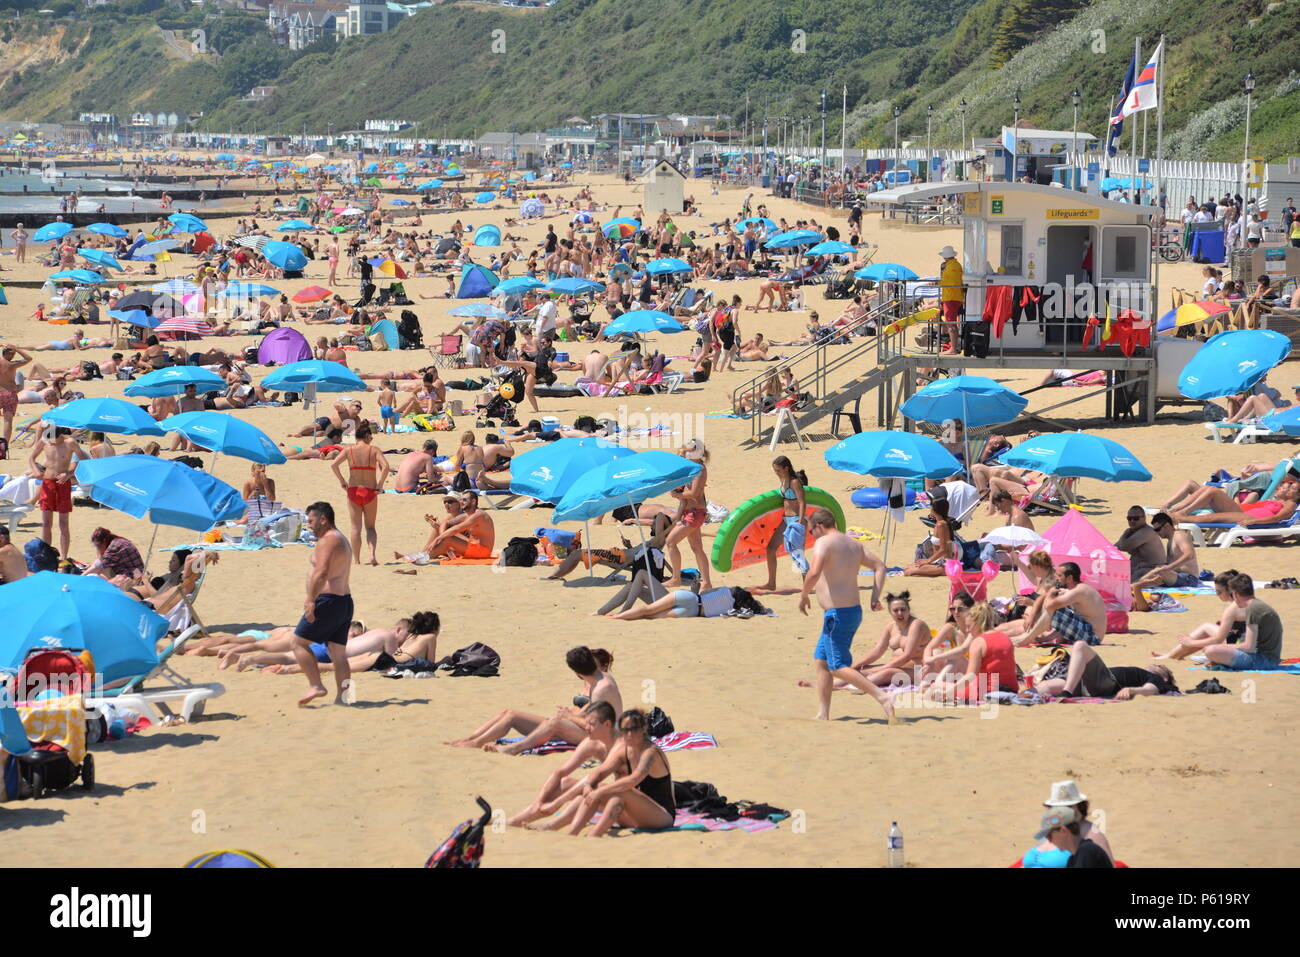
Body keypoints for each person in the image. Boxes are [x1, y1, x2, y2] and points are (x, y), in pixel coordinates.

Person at [799, 507, 894, 722]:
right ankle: (823, 713)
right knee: (821, 661)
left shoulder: (823, 542)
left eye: (811, 531)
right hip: (850, 612)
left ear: (819, 526)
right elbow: (880, 567)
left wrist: (804, 594)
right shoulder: (854, 544)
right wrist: (874, 596)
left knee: (838, 667)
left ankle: (882, 697)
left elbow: (813, 572)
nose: (811, 536)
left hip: (837, 615)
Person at [447, 645, 621, 752]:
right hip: (581, 727)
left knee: (552, 722)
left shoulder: (601, 689)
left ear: (576, 671)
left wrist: (569, 717)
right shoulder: (598, 680)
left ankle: (499, 747)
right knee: (508, 713)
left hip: (600, 737)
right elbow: (589, 712)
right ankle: (470, 739)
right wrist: (571, 716)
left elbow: (595, 728)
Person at [540, 708, 676, 836]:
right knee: (591, 793)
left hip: (661, 817)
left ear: (643, 729)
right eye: (625, 730)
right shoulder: (627, 750)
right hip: (635, 815)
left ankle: (588, 835)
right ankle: (563, 830)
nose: (629, 734)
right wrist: (589, 785)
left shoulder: (650, 753)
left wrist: (599, 790)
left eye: (633, 729)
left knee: (621, 790)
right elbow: (599, 772)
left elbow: (632, 780)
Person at [507, 700, 619, 827]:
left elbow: (595, 778)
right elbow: (560, 772)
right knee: (566, 783)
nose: (586, 728)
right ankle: (518, 820)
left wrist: (558, 802)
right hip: (617, 798)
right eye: (586, 723)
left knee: (589, 788)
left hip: (632, 803)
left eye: (591, 724)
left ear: (608, 724)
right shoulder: (591, 743)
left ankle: (553, 825)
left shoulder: (622, 745)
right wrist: (539, 801)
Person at [290, 502, 355, 707]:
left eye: (311, 521)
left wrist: (311, 600)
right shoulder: (340, 538)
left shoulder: (329, 540)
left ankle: (316, 685)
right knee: (338, 654)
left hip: (328, 601)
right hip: (343, 601)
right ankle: (345, 698)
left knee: (298, 643)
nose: (310, 525)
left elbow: (322, 572)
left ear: (323, 519)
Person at [926, 605, 1019, 704]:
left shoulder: (978, 642)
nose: (967, 630)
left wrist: (947, 693)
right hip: (1012, 688)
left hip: (985, 691)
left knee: (935, 686)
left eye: (968, 626)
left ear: (977, 624)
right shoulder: (1005, 637)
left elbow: (970, 677)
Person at [1151, 569, 1245, 661]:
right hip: (1238, 644)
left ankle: (1171, 655)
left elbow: (1220, 639)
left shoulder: (1234, 607)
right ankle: (1173, 655)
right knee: (1208, 630)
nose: (1217, 595)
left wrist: (1191, 643)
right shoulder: (1241, 603)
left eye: (1219, 592)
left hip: (1238, 647)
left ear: (1229, 590)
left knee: (1206, 628)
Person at [1036, 641, 1178, 700]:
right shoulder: (1141, 674)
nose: (1157, 665)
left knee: (1080, 646)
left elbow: (1150, 690)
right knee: (1045, 687)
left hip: (1106, 682)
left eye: (1161, 667)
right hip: (1089, 685)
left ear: (1164, 678)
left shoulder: (1156, 679)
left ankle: (1066, 693)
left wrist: (1133, 690)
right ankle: (1026, 695)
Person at [331, 423, 389, 566]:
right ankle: (372, 555)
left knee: (355, 528)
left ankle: (356, 560)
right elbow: (386, 467)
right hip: (370, 491)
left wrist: (342, 481)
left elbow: (333, 465)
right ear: (367, 436)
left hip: (353, 491)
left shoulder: (349, 450)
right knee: (370, 527)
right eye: (371, 436)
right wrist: (380, 485)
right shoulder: (374, 450)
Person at [847, 591, 931, 688]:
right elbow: (877, 651)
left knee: (886, 673)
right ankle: (832, 686)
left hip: (917, 670)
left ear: (908, 610)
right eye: (895, 610)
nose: (900, 613)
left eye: (903, 609)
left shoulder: (916, 625)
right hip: (895, 667)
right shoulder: (890, 627)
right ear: (890, 612)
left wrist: (883, 668)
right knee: (858, 671)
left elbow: (908, 655)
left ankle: (849, 687)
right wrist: (856, 665)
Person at [1020, 780, 1114, 867]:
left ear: (1079, 806)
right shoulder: (1053, 829)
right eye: (1056, 807)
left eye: (1068, 806)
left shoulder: (1090, 834)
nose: (1062, 811)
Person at [1016, 561, 1107, 647]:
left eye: (1059, 576)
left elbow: (1049, 606)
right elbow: (1043, 598)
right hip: (1088, 633)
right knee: (1060, 610)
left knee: (1055, 609)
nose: (1056, 578)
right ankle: (1037, 637)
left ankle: (1028, 638)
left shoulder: (1077, 591)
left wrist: (1049, 594)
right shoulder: (1075, 589)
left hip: (1092, 638)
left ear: (1069, 578)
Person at [1203, 574, 1283, 671]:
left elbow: (1249, 647)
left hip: (1265, 661)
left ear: (1236, 594)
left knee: (1211, 650)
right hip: (1269, 657)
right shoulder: (1257, 605)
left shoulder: (1252, 609)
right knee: (1215, 651)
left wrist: (1221, 647)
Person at [663, 439, 713, 591]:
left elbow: (694, 493)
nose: (686, 454)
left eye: (689, 451)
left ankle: (676, 578)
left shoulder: (699, 469)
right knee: (697, 548)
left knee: (671, 542)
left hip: (695, 513)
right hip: (691, 512)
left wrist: (677, 494)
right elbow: (686, 495)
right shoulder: (692, 468)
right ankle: (707, 582)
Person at [32, 427, 88, 558]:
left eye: (53, 440)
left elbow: (84, 461)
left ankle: (63, 557)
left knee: (63, 523)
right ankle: (46, 554)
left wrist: (69, 473)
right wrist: (35, 470)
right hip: (47, 483)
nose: (50, 443)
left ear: (60, 436)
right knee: (46, 523)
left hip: (62, 484)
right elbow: (32, 458)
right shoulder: (45, 440)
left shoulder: (70, 443)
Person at [756, 455, 809, 593]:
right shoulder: (783, 480)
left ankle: (807, 586)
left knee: (798, 554)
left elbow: (802, 501)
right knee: (770, 548)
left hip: (797, 519)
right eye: (775, 470)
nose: (776, 473)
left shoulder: (795, 482)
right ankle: (771, 583)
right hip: (786, 520)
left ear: (786, 468)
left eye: (778, 470)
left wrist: (800, 521)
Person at [1130, 512, 1201, 610]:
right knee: (1144, 568)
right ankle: (1134, 586)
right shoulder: (1171, 539)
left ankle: (1133, 587)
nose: (1157, 533)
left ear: (1167, 525)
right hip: (1177, 576)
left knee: (1160, 569)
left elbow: (1189, 555)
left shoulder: (1179, 535)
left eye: (1158, 529)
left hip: (1189, 579)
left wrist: (1167, 568)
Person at [1168, 476, 1299, 527]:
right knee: (1211, 490)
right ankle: (1181, 512)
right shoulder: (1281, 500)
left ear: (1298, 495)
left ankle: (1180, 517)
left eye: (1292, 489)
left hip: (1250, 516)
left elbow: (1277, 518)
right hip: (1243, 511)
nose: (1288, 490)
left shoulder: (1291, 504)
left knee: (1211, 516)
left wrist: (1253, 521)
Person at [1033, 806, 1113, 867]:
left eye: (1049, 836)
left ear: (1063, 831)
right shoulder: (1073, 859)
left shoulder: (1087, 852)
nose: (1049, 841)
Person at [425, 489, 495, 558]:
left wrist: (438, 539)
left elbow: (457, 528)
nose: (461, 502)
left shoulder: (479, 515)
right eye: (461, 500)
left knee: (448, 539)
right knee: (442, 532)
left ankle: (426, 556)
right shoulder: (467, 515)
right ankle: (425, 553)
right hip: (472, 546)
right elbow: (446, 523)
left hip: (483, 552)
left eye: (464, 500)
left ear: (473, 501)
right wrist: (442, 535)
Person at [1114, 506, 1166, 582]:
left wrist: (1126, 532)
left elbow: (1124, 546)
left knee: (1127, 584)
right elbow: (1115, 547)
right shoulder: (1135, 531)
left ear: (1144, 518)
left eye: (1136, 518)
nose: (1132, 521)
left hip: (1152, 570)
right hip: (1140, 569)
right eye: (1129, 518)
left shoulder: (1146, 532)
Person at [0, 345, 33, 448]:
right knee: (8, 420)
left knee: (7, 420)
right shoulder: (12, 365)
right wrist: (17, 349)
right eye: (12, 353)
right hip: (9, 394)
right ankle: (4, 444)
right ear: (7, 353)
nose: (13, 356)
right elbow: (29, 358)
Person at [938, 245, 963, 354]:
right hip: (952, 296)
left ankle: (953, 348)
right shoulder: (953, 265)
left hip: (951, 297)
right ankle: (953, 346)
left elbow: (952, 282)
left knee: (951, 324)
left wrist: (939, 283)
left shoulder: (952, 267)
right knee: (951, 323)